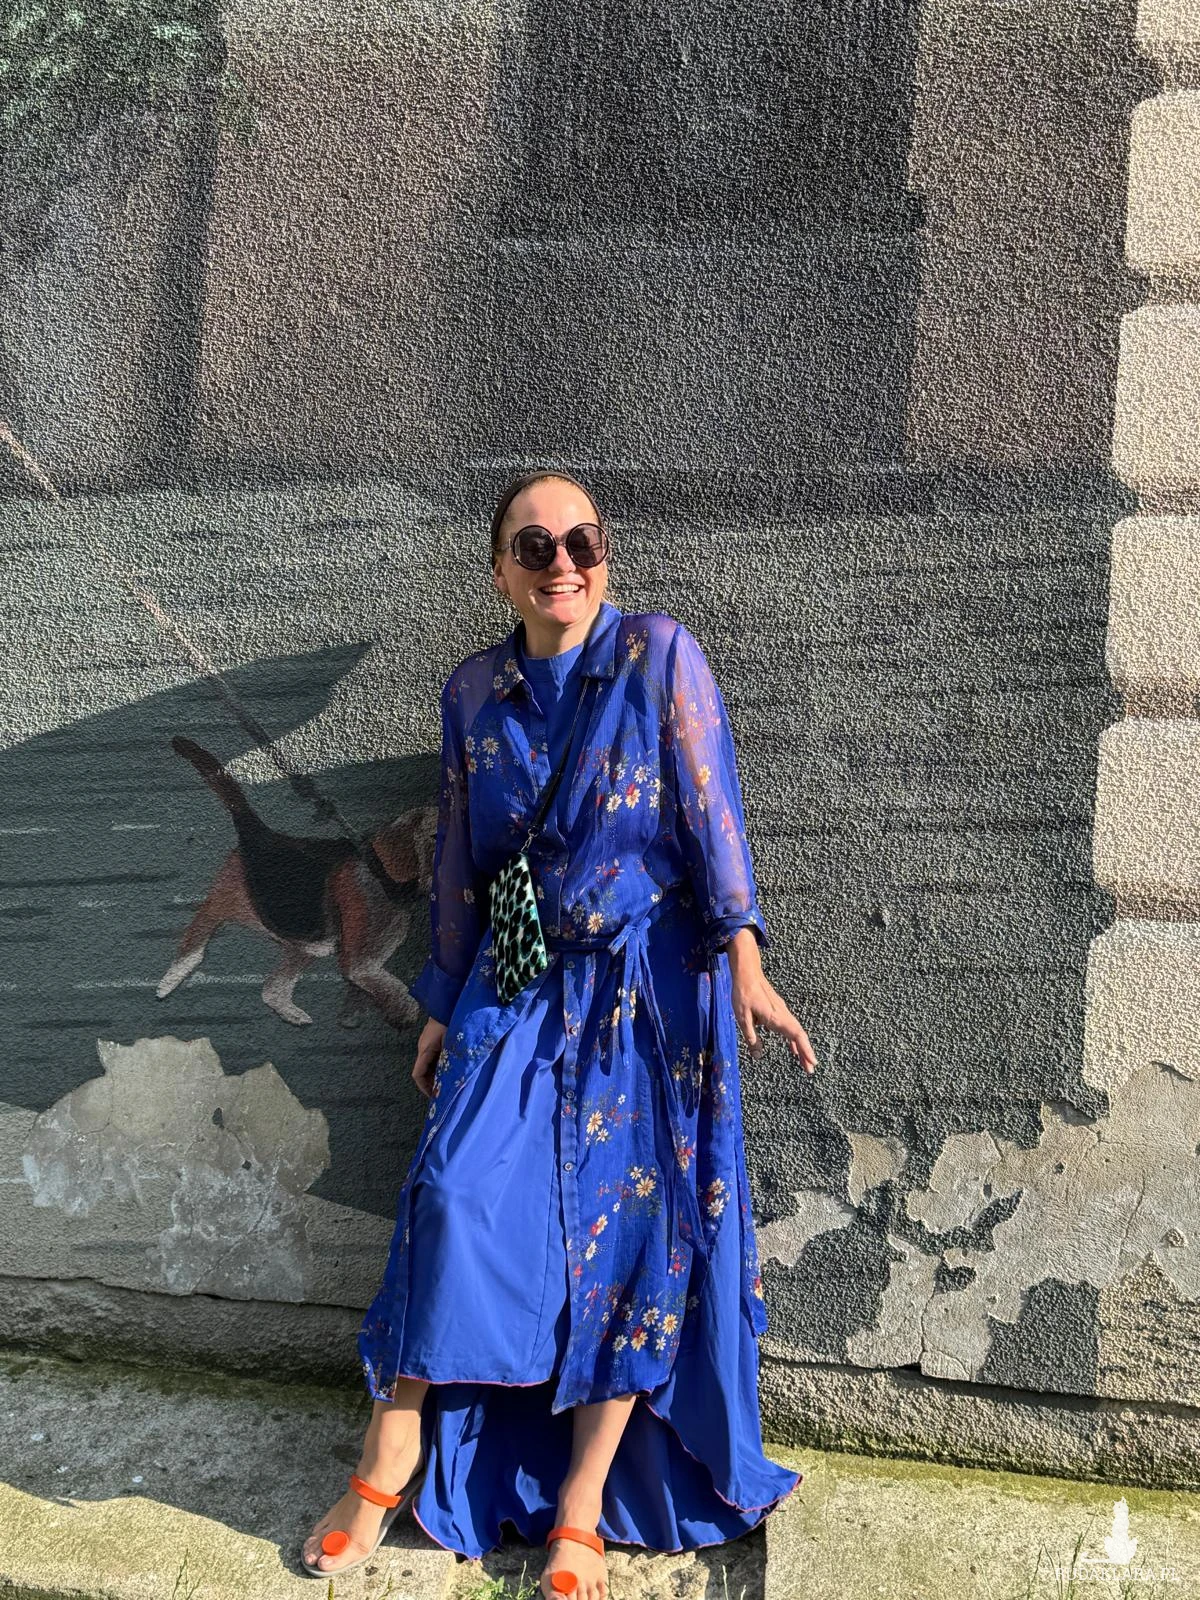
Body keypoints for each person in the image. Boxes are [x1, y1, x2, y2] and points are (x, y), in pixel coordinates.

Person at [301, 471, 818, 1598]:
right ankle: (388, 1455)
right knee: (453, 1191)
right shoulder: (472, 691)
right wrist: (444, 998)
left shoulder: (657, 653)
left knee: (627, 1230)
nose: (562, 562)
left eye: (581, 540)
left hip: (648, 981)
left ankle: (581, 1504)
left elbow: (711, 805)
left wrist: (744, 949)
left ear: (604, 552)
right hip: (520, 972)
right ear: (500, 571)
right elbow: (459, 860)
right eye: (533, 546)